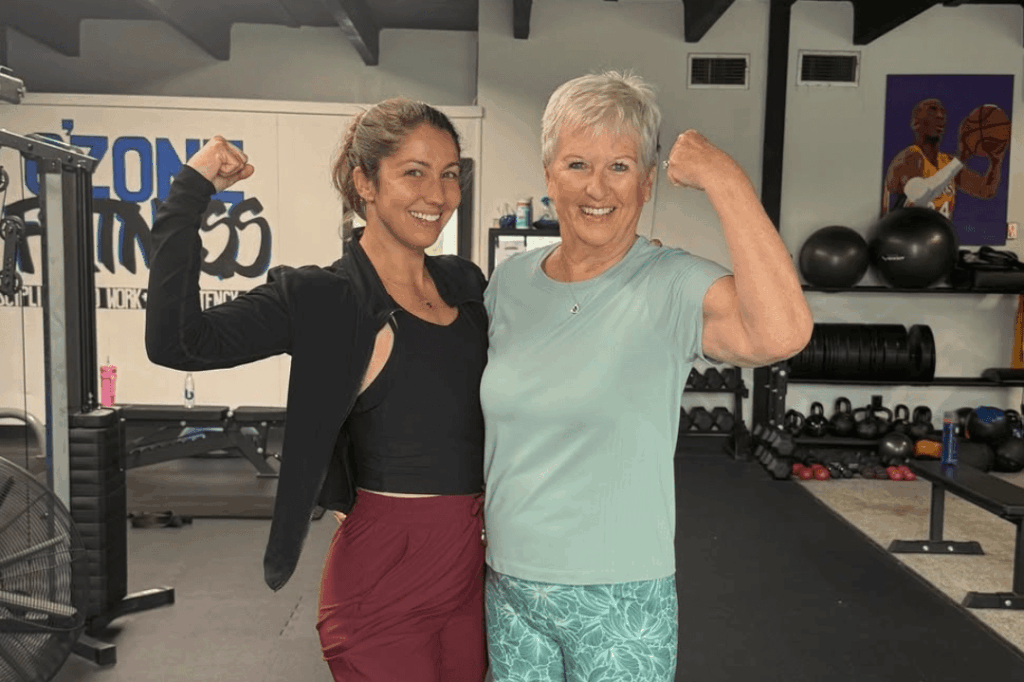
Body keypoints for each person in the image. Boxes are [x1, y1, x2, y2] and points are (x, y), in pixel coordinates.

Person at [478, 71, 814, 682]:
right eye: (577, 164)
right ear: (549, 174)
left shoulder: (673, 283)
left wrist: (724, 179)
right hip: (510, 586)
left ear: (648, 182)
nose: (597, 187)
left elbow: (784, 331)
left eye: (621, 166)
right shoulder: (509, 284)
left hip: (621, 595)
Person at [145, 99, 490, 682]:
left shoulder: (465, 285)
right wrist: (191, 192)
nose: (438, 194)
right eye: (414, 172)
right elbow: (179, 342)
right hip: (384, 580)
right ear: (365, 183)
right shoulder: (320, 298)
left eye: (449, 173)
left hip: (471, 575)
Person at [881, 98, 1006, 218]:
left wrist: (996, 161)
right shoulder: (909, 158)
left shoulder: (948, 162)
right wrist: (962, 157)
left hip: (934, 236)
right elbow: (921, 195)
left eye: (942, 112)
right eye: (932, 110)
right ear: (915, 123)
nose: (940, 115)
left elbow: (985, 190)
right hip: (905, 235)